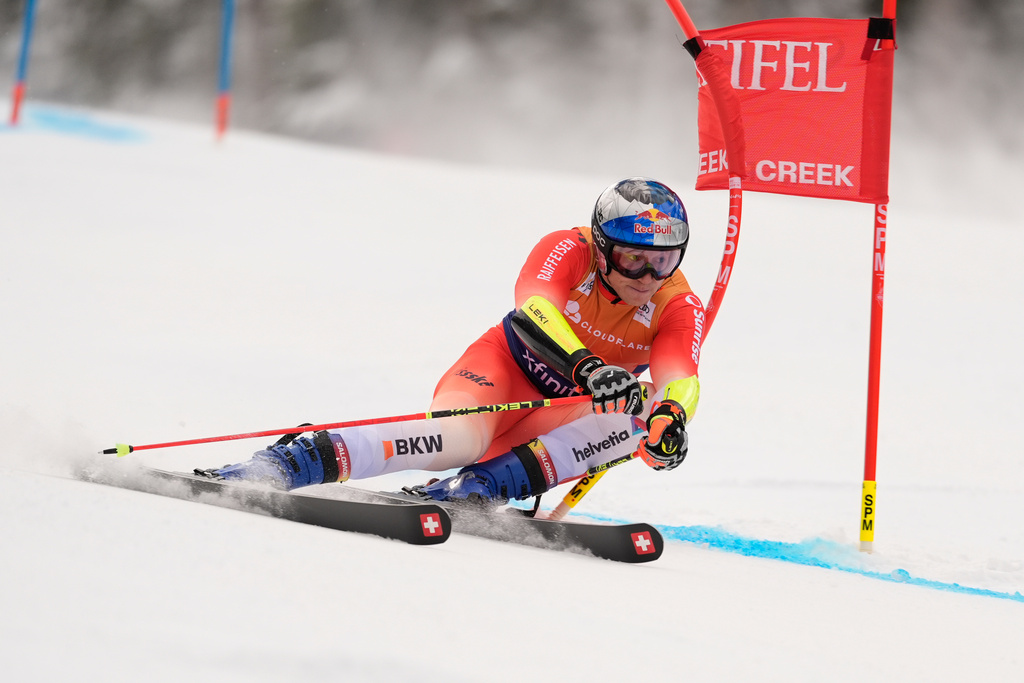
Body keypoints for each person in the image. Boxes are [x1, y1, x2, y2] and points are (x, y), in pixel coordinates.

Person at [198, 177, 705, 504]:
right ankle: (298, 458)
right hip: (503, 372)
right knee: (455, 441)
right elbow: (534, 310)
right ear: (601, 246)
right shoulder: (568, 248)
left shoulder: (677, 303)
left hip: (558, 414)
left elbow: (679, 378)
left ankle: (480, 487)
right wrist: (590, 367)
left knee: (641, 412)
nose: (647, 276)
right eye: (632, 259)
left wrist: (670, 422)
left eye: (663, 260)